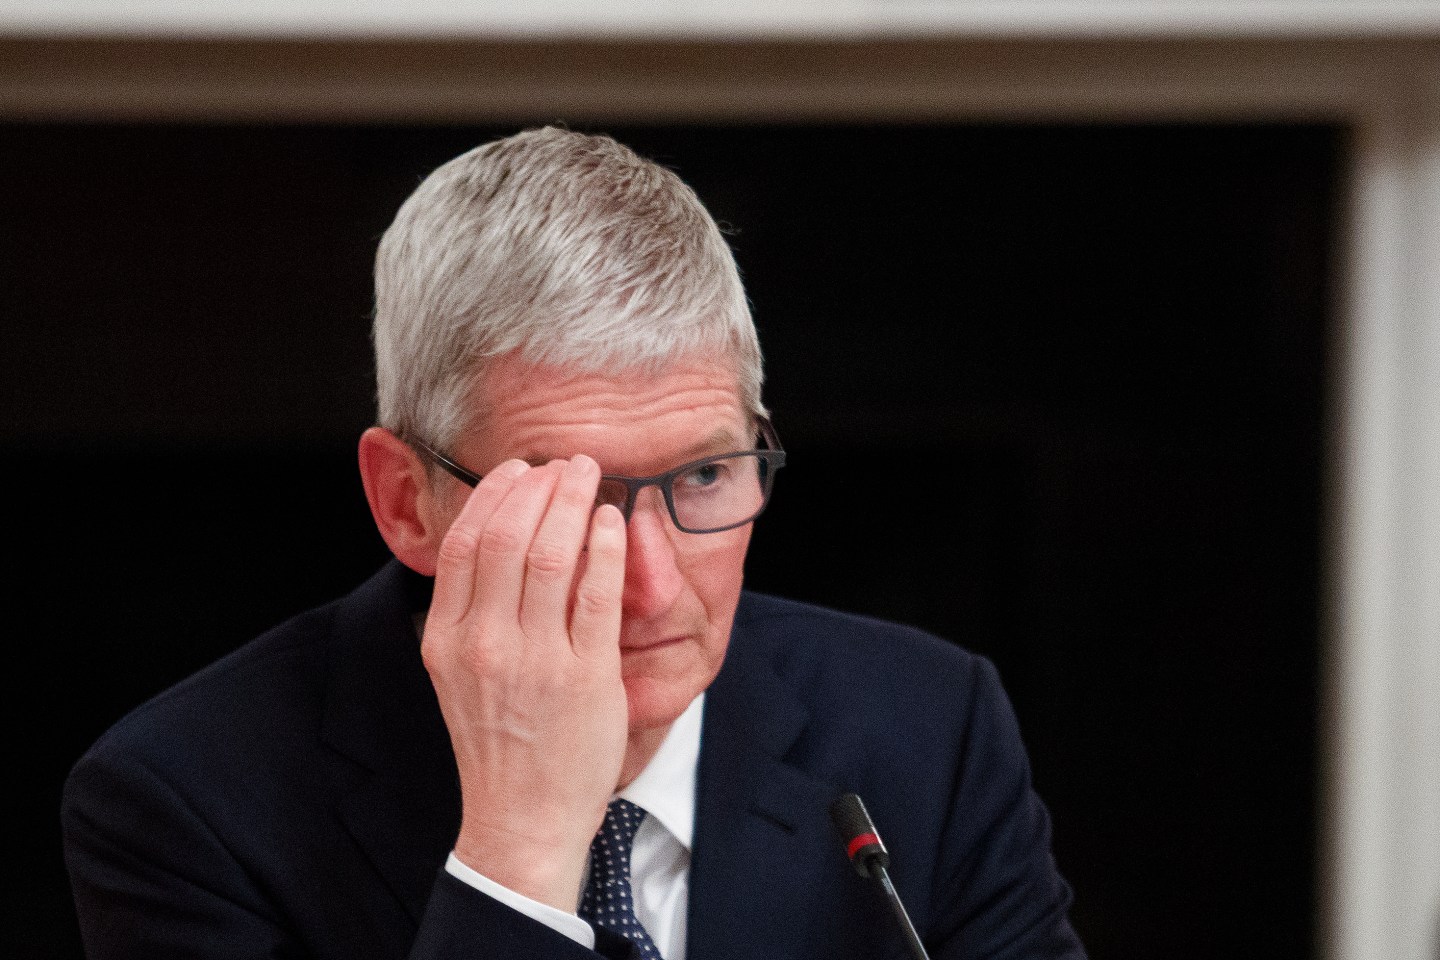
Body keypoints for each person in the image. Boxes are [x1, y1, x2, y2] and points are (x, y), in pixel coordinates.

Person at [62, 127, 1086, 960]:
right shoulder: (183, 802)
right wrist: (524, 846)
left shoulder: (929, 729)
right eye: (571, 500)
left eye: (703, 475)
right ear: (406, 500)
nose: (647, 586)